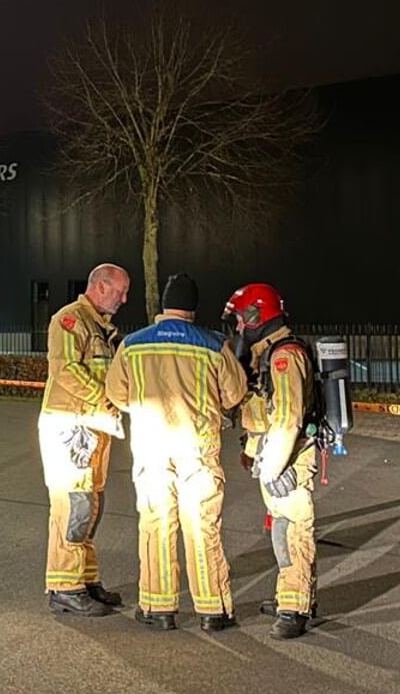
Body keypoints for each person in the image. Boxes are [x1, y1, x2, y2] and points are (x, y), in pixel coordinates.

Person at [104, 274, 248, 631]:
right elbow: (234, 394)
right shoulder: (213, 345)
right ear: (193, 308)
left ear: (163, 305)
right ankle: (213, 611)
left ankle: (157, 608)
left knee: (156, 524)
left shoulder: (133, 345)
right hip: (196, 451)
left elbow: (117, 395)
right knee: (202, 528)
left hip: (152, 450)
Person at [225, 282, 319, 639]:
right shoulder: (268, 353)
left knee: (292, 530)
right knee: (282, 527)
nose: (237, 327)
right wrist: (252, 454)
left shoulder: (283, 356)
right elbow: (263, 411)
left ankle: (294, 609)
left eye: (239, 319)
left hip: (289, 459)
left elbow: (288, 418)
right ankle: (292, 595)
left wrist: (274, 466)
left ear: (255, 315)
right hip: (274, 454)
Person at [40, 264, 130, 616]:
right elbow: (64, 369)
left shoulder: (100, 327)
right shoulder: (70, 320)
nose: (125, 299)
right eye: (120, 291)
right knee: (74, 506)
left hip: (94, 427)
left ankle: (86, 579)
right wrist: (104, 400)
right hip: (70, 426)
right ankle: (65, 586)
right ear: (101, 285)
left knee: (91, 505)